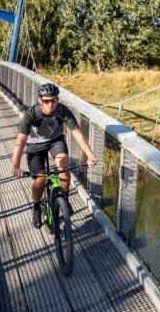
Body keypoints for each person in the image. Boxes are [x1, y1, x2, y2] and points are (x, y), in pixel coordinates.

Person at [11, 82, 98, 228]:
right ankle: (37, 207)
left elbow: (77, 134)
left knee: (64, 165)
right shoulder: (32, 113)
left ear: (57, 100)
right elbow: (20, 142)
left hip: (55, 140)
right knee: (40, 179)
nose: (50, 104)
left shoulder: (62, 110)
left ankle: (64, 199)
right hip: (35, 145)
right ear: (40, 100)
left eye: (54, 100)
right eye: (46, 101)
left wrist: (90, 155)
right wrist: (16, 165)